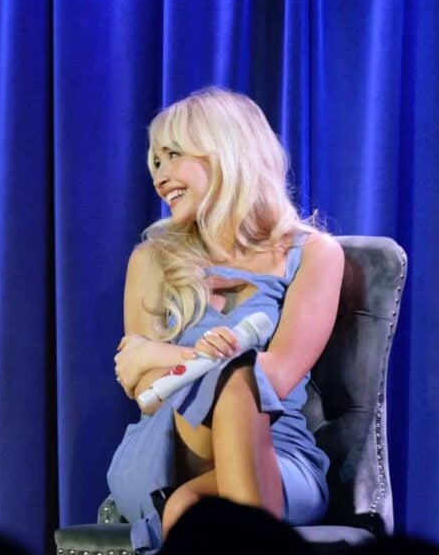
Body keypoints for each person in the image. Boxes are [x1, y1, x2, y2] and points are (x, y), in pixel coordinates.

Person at [106, 87, 342, 553]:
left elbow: (275, 375)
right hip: (165, 449)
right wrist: (167, 364)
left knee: (193, 495)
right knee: (232, 384)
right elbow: (145, 393)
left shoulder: (312, 254)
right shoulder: (152, 258)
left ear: (227, 151)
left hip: (276, 451)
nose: (160, 177)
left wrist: (160, 353)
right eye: (155, 162)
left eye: (173, 155)